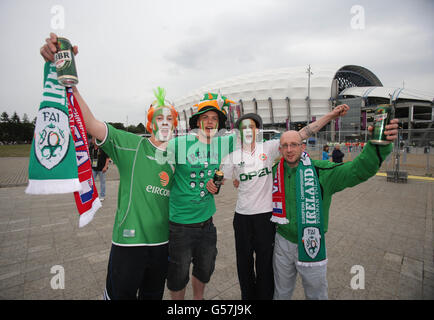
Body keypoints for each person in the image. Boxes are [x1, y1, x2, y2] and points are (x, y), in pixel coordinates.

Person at [40, 33, 179, 300]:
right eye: (159, 118)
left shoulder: (178, 156)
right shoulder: (130, 145)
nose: (164, 123)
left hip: (162, 245)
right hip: (129, 243)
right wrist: (69, 81)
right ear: (150, 123)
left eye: (169, 118)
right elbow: (90, 123)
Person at [221, 105, 350, 300]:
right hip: (242, 218)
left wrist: (331, 115)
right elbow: (221, 179)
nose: (249, 130)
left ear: (257, 130)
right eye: (244, 127)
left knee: (265, 265)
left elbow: (305, 132)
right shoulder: (232, 157)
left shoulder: (269, 147)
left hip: (265, 217)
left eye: (252, 126)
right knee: (243, 264)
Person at [272, 118, 399, 300]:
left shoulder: (321, 172)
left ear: (303, 147)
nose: (289, 149)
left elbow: (357, 170)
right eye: (285, 146)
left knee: (316, 295)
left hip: (311, 243)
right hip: (282, 243)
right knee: (281, 293)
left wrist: (378, 145)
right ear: (280, 149)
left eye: (294, 144)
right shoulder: (275, 172)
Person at [166, 92, 236, 300]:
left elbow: (247, 132)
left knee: (205, 269)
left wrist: (224, 179)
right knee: (177, 275)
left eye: (215, 118)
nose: (210, 122)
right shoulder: (177, 145)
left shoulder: (222, 144)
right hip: (180, 225)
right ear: (197, 122)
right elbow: (159, 176)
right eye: (205, 117)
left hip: (207, 224)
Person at [90, 136, 110, 201]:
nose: (92, 141)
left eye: (94, 139)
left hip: (102, 169)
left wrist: (105, 167)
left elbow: (107, 158)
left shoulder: (102, 148)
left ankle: (102, 196)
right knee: (91, 182)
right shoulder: (91, 148)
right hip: (93, 168)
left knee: (102, 182)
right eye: (92, 139)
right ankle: (91, 195)